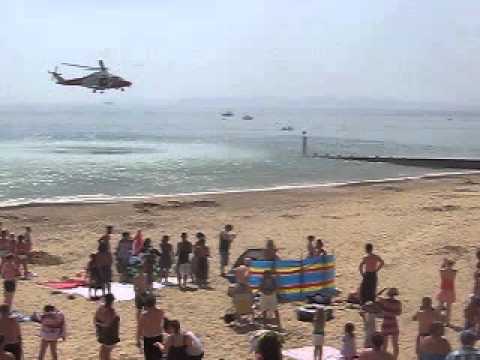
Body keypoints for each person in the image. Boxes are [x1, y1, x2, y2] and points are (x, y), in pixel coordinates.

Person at [138, 294, 165, 360]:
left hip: (148, 339)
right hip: (158, 337)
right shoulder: (161, 311)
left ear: (146, 304)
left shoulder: (144, 315)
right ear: (155, 302)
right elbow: (162, 324)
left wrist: (138, 340)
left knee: (149, 357)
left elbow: (139, 329)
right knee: (158, 357)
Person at [378, 288, 402, 360]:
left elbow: (377, 297)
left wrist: (382, 290)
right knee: (395, 344)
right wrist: (392, 312)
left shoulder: (384, 301)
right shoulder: (398, 303)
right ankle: (395, 358)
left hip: (386, 324)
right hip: (394, 324)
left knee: (384, 346)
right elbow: (399, 313)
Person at [94, 294, 120, 360]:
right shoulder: (112, 311)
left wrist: (98, 324)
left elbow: (95, 319)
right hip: (110, 337)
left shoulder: (100, 308)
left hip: (104, 336)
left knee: (103, 354)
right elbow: (107, 324)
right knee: (105, 354)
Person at [437, 259, 457, 326]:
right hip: (450, 290)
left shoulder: (442, 271)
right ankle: (447, 322)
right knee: (449, 308)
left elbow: (441, 268)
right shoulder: (454, 272)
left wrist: (444, 263)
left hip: (443, 289)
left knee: (440, 306)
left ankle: (438, 320)